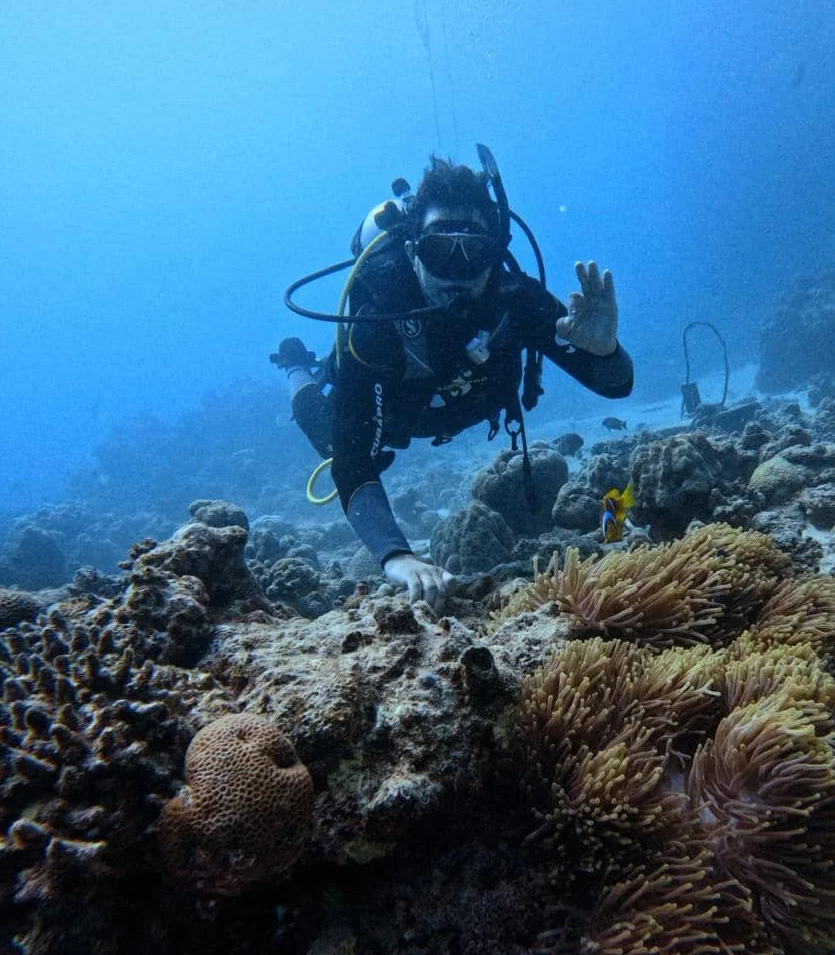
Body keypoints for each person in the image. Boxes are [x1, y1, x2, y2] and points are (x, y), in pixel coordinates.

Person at [271, 151, 633, 611]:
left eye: (474, 252)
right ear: (412, 251)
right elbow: (352, 465)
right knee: (329, 439)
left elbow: (617, 386)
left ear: (495, 251)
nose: (457, 275)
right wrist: (397, 555)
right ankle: (294, 365)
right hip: (399, 415)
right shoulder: (378, 322)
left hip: (466, 406)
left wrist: (606, 352)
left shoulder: (516, 301)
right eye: (441, 251)